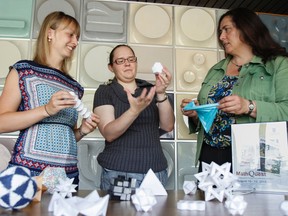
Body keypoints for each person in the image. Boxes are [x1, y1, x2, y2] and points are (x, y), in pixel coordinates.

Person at [180, 8, 288, 172]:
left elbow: (286, 110)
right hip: (209, 155)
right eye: (220, 31)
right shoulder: (216, 70)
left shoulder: (279, 64)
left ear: (247, 29)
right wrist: (197, 114)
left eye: (227, 29)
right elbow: (209, 122)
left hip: (253, 157)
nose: (221, 37)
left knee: (249, 199)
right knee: (207, 198)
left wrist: (249, 106)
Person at [0, 11, 100, 184]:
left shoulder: (74, 86)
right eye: (70, 35)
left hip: (66, 176)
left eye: (77, 37)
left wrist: (82, 131)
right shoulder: (24, 71)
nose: (75, 42)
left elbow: (64, 136)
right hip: (29, 174)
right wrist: (46, 110)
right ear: (50, 33)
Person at [93, 44, 175, 190]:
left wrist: (161, 93)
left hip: (155, 172)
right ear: (111, 67)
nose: (127, 63)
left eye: (131, 59)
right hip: (119, 172)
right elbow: (109, 133)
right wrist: (134, 111)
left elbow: (167, 126)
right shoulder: (105, 91)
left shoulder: (150, 89)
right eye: (120, 61)